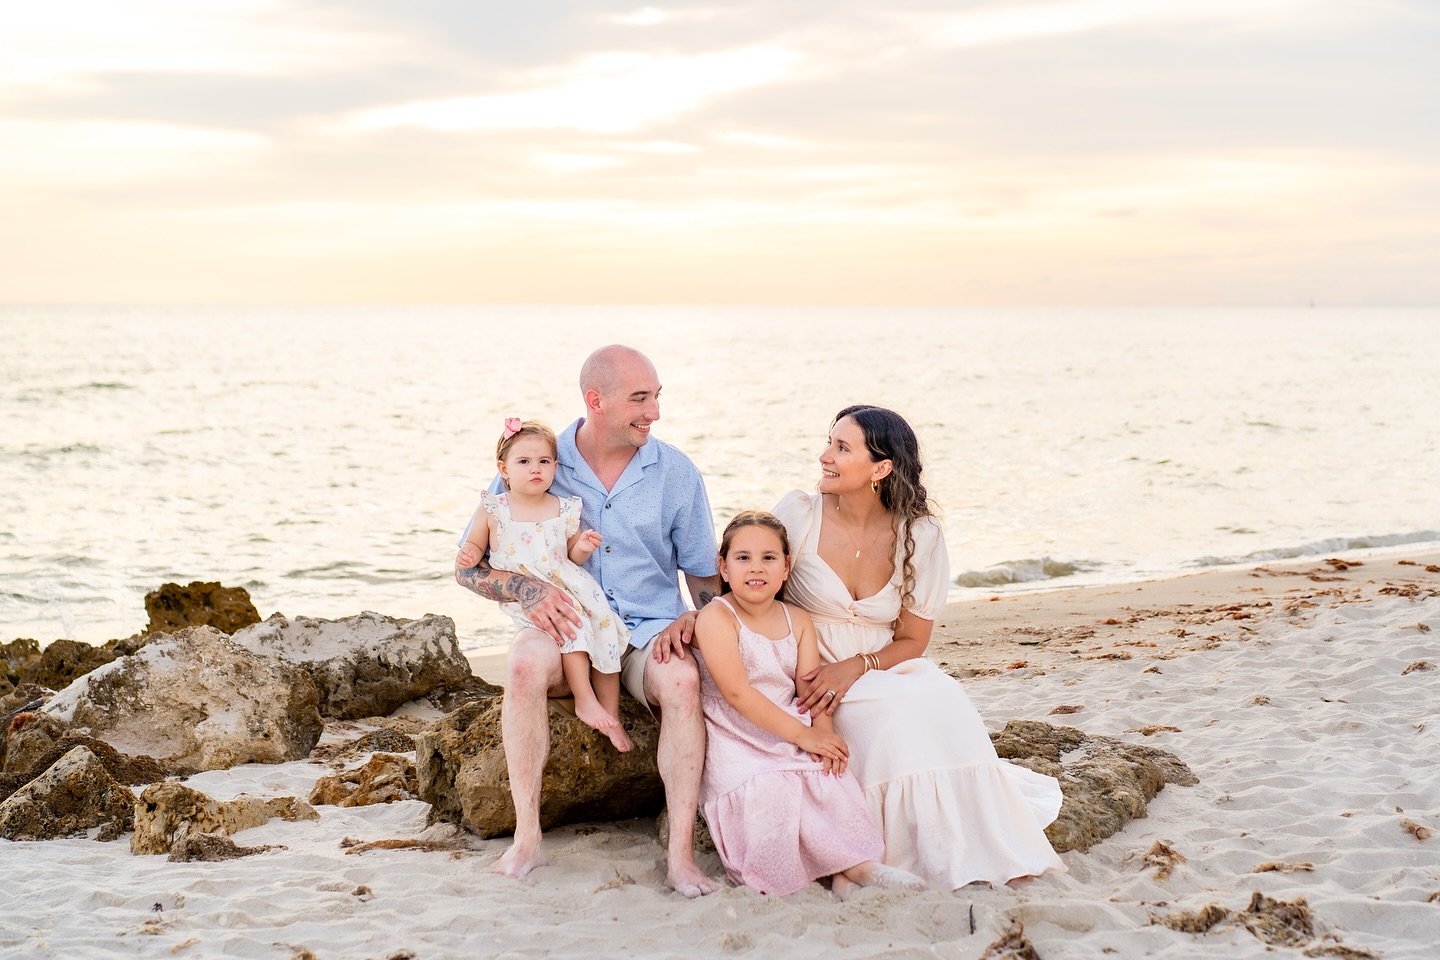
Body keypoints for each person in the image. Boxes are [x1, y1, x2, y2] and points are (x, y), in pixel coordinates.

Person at [455, 345, 721, 897]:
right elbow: (468, 566)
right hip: (567, 624)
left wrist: (700, 623)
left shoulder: (675, 471)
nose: (654, 412)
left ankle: (681, 859)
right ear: (595, 401)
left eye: (656, 398)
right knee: (524, 662)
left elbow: (702, 578)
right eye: (640, 399)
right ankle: (526, 840)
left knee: (683, 680)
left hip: (648, 628)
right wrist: (524, 588)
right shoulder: (539, 460)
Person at [773, 404, 1067, 889]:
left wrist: (859, 665)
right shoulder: (800, 514)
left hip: (881, 664)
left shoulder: (919, 534)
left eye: (842, 448)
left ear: (881, 468)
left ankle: (953, 839)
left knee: (943, 698)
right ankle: (895, 846)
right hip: (811, 668)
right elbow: (758, 590)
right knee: (891, 717)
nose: (825, 456)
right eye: (829, 442)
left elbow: (913, 639)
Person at [692, 510, 927, 898]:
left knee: (827, 777)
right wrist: (805, 735)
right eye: (743, 558)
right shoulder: (718, 617)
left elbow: (810, 690)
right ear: (724, 567)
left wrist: (823, 733)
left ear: (786, 568)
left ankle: (852, 870)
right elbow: (737, 693)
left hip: (788, 720)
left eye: (769, 558)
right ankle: (834, 874)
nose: (757, 568)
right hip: (736, 733)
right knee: (770, 788)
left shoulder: (797, 619)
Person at [457, 417, 633, 753]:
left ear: (555, 466)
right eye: (524, 462)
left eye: (544, 462)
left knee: (605, 628)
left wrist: (584, 546)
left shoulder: (562, 507)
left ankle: (611, 716)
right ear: (503, 469)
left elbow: (569, 555)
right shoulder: (494, 508)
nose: (535, 469)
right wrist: (469, 552)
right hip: (529, 596)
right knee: (574, 630)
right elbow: (475, 549)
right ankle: (584, 699)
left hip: (571, 584)